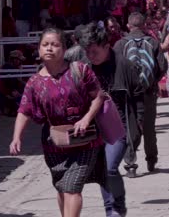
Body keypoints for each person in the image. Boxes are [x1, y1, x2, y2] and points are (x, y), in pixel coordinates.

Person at [9, 28, 107, 217]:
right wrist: (16, 137)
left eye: (55, 45)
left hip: (84, 139)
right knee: (62, 185)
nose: (49, 49)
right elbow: (24, 110)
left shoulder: (80, 70)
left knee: (73, 187)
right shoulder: (34, 82)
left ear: (64, 49)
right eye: (45, 45)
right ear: (38, 50)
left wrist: (86, 118)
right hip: (54, 142)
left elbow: (99, 97)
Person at [80, 22, 144, 216]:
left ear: (107, 46)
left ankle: (113, 209)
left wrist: (138, 123)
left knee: (109, 168)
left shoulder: (125, 65)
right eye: (88, 52)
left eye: (95, 52)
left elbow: (139, 95)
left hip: (119, 127)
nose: (91, 56)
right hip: (93, 128)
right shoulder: (85, 67)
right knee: (103, 171)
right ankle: (118, 203)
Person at [114, 12, 167, 175]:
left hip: (127, 94)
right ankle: (151, 160)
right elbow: (163, 66)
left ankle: (130, 164)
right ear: (144, 25)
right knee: (149, 127)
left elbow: (114, 68)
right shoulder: (153, 43)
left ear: (128, 26)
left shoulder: (120, 45)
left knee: (129, 127)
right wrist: (152, 82)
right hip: (148, 92)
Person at [1, 50, 27, 116]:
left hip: (14, 90)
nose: (21, 62)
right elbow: (7, 83)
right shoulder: (7, 68)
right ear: (14, 59)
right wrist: (11, 91)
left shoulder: (16, 68)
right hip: (8, 92)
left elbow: (19, 81)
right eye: (19, 60)